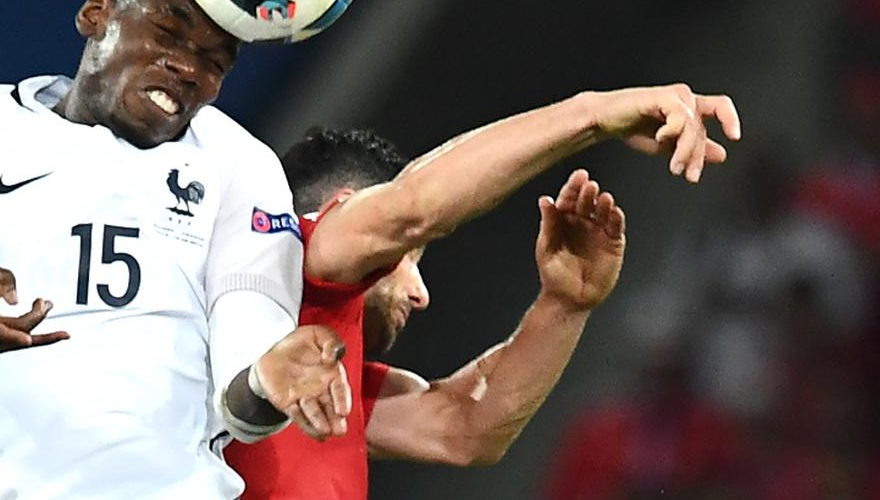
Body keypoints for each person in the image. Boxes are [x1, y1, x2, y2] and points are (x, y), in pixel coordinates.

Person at [0, 0, 352, 499]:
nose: (186, 67)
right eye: (167, 35)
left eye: (214, 61)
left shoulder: (241, 167)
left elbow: (245, 401)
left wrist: (271, 380)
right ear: (96, 13)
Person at [226, 84, 741, 499]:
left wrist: (565, 304)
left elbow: (464, 428)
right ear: (340, 211)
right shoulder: (292, 254)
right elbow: (414, 208)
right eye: (409, 260)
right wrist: (595, 114)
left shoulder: (324, 381)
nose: (421, 294)